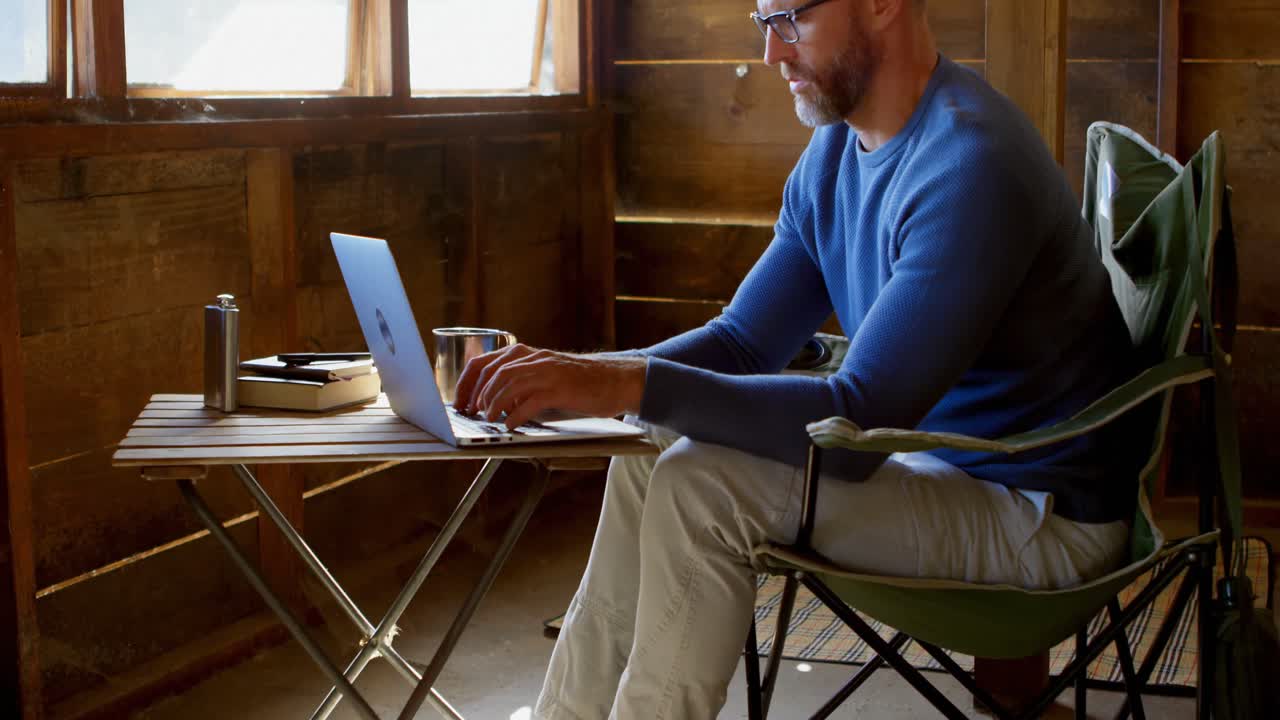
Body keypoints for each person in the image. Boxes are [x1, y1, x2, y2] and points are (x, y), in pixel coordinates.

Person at [453, 0, 1138, 717]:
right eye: (764, 24)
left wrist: (621, 380)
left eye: (789, 19)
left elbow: (856, 424)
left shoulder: (971, 164)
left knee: (702, 482)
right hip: (941, 463)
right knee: (651, 440)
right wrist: (576, 377)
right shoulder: (838, 152)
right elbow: (743, 343)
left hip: (1039, 514)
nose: (773, 53)